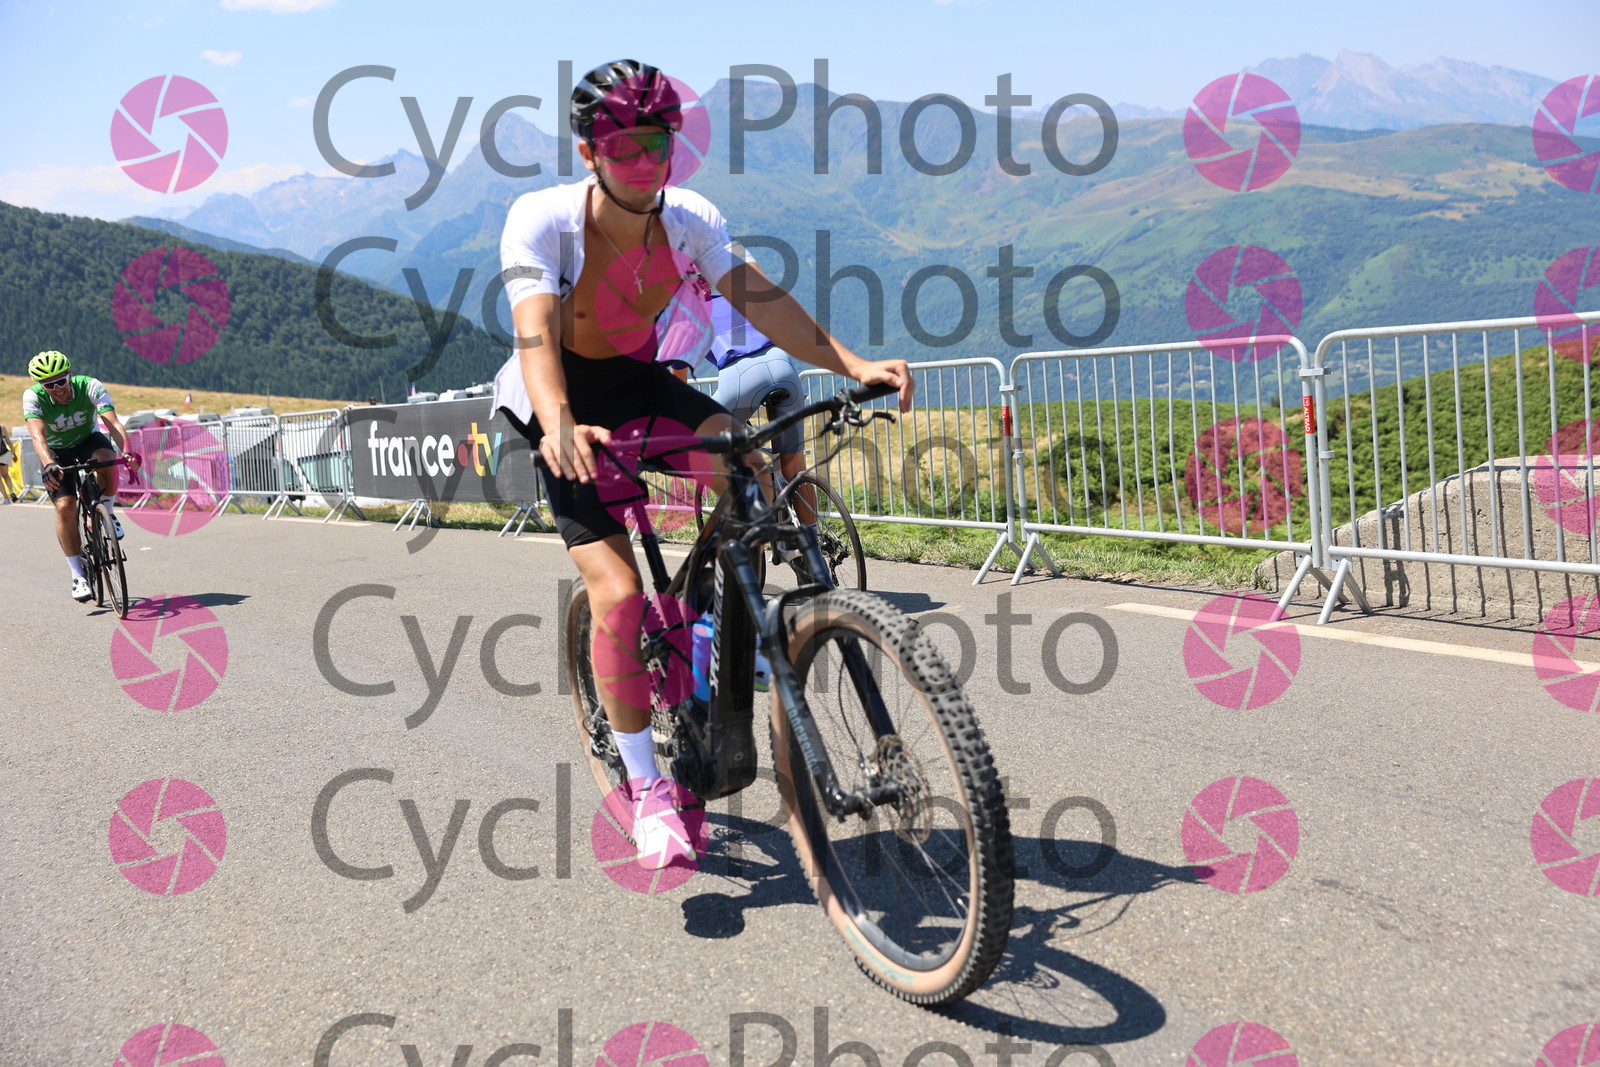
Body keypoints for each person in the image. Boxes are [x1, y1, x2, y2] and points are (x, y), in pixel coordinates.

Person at [491, 59, 912, 869]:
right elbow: (535, 335)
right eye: (623, 146)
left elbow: (763, 300)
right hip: (560, 400)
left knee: (749, 468)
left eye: (658, 145)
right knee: (618, 594)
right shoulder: (542, 221)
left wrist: (853, 364)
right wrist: (560, 423)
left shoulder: (688, 221)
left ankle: (722, 626)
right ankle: (646, 785)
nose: (644, 163)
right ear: (590, 151)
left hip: (637, 383)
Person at [22, 351, 141, 602]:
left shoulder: (89, 385)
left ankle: (108, 511)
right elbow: (37, 436)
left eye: (61, 381)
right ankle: (77, 575)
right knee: (66, 507)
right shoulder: (33, 397)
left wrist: (128, 450)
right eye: (49, 385)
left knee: (106, 457)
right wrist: (48, 463)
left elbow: (112, 422)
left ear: (70, 374)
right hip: (56, 451)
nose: (57, 389)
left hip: (88, 439)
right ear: (41, 386)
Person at [0, 426, 19, 502]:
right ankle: (11, 491)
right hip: (4, 454)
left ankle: (6, 498)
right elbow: (9, 442)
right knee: (5, 475)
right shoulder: (2, 428)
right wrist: (14, 453)